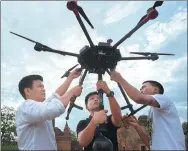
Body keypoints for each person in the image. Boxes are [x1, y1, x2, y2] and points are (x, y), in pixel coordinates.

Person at [110, 71, 186, 150]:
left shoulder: (163, 98)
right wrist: (136, 126)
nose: (141, 90)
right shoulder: (151, 111)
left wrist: (120, 80)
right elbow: (150, 144)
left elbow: (138, 98)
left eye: (144, 87)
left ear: (155, 90)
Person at [16, 68, 83, 150]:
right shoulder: (26, 107)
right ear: (27, 91)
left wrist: (71, 77)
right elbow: (55, 108)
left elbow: (56, 96)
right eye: (39, 86)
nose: (43, 89)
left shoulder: (40, 107)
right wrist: (72, 92)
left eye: (43, 86)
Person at [76, 80, 123, 151]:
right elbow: (82, 142)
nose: (96, 99)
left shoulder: (109, 119)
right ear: (87, 107)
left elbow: (118, 119)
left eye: (98, 98)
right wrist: (94, 122)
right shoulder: (83, 123)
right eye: (92, 98)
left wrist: (109, 93)